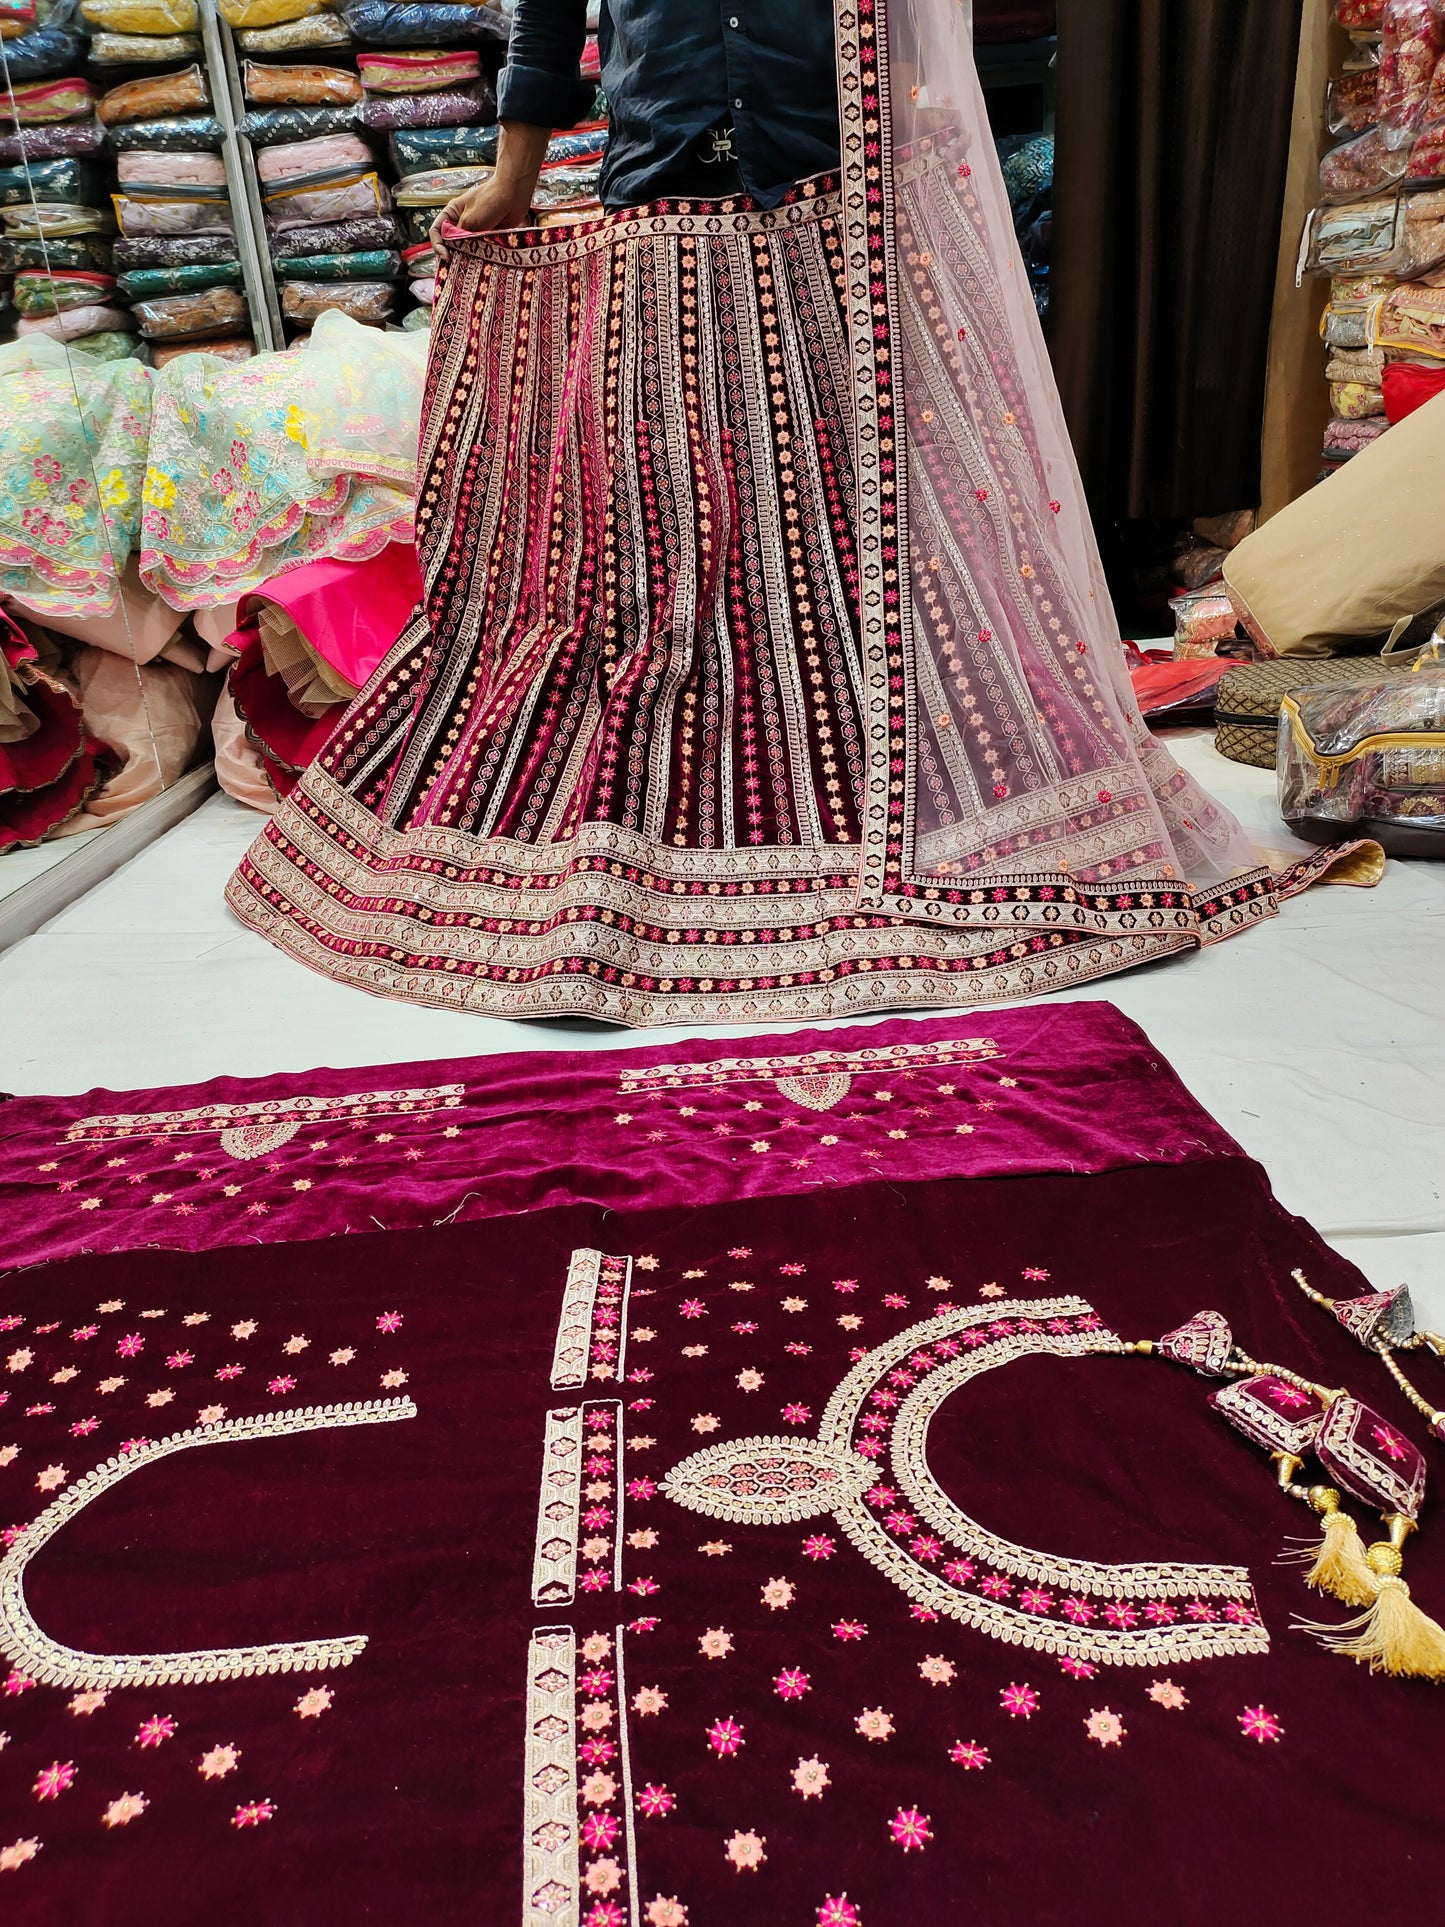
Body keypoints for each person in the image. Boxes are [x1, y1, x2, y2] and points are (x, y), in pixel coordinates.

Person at [228, 0, 1367, 1022]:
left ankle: (886, 788)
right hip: (663, 194)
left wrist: (916, 134)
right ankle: (696, 810)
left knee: (861, 517)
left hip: (838, 198)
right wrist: (515, 175)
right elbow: (547, 8)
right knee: (672, 531)